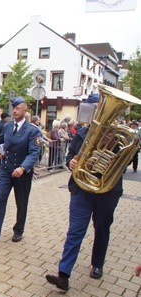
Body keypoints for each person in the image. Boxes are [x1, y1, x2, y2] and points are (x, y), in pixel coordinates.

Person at [45, 92, 125, 292]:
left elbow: (123, 165)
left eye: (101, 107)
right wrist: (71, 162)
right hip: (82, 190)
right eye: (95, 108)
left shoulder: (118, 137)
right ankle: (64, 274)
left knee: (102, 228)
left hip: (106, 191)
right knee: (75, 231)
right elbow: (70, 155)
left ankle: (97, 264)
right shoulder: (81, 133)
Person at [0, 96, 41, 248]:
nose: (15, 111)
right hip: (6, 169)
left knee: (21, 202)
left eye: (18, 108)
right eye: (13, 108)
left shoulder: (32, 131)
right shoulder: (7, 126)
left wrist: (23, 168)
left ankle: (18, 229)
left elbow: (33, 153)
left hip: (22, 172)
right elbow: (0, 143)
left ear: (25, 110)